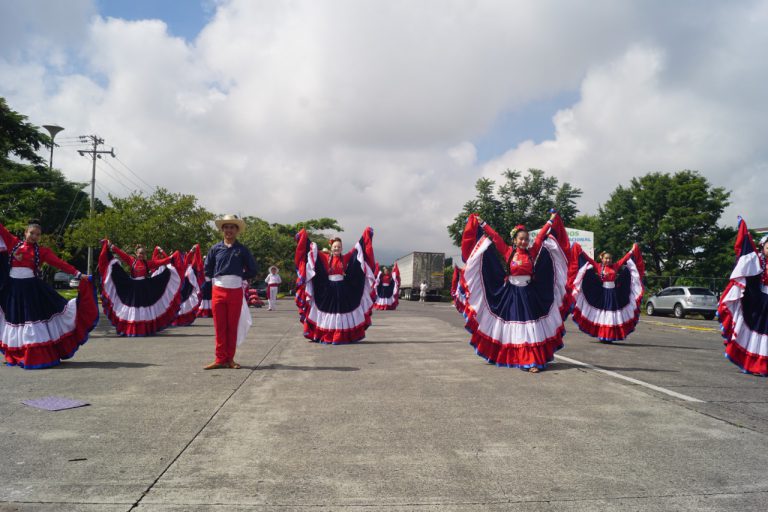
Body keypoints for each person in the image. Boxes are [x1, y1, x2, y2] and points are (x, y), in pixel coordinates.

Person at [460, 211, 571, 372]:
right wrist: (482, 223)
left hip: (529, 294)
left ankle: (531, 361)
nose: (524, 241)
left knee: (530, 327)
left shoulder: (532, 253)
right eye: (521, 239)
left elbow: (540, 236)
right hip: (511, 294)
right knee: (509, 327)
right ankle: (503, 355)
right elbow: (495, 237)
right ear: (515, 240)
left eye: (526, 239)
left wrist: (550, 221)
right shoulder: (508, 252)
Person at [0, 220, 98, 369]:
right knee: (15, 320)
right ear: (25, 232)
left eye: (37, 235)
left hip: (31, 290)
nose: (34, 236)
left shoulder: (43, 252)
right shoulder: (13, 243)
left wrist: (78, 274)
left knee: (30, 320)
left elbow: (60, 264)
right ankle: (16, 354)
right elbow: (2, 229)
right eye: (31, 233)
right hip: (13, 290)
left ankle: (33, 355)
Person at [294, 228, 376, 344]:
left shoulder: (346, 257)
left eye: (339, 247)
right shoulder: (325, 257)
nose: (337, 248)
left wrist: (366, 234)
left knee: (343, 311)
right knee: (327, 310)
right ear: (331, 248)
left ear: (342, 248)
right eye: (335, 247)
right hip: (328, 289)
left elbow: (357, 250)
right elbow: (313, 252)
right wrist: (304, 238)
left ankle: (342, 336)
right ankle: (327, 335)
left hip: (343, 288)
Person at [204, 215, 257, 369]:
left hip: (235, 290)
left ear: (237, 230)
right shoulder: (215, 248)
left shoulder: (242, 250)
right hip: (218, 289)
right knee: (219, 326)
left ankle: (230, 359)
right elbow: (207, 268)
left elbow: (253, 269)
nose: (229, 230)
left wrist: (241, 277)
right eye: (226, 227)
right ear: (222, 230)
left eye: (232, 227)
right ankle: (220, 359)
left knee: (232, 326)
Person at [98, 240, 183, 336]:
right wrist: (111, 246)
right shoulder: (131, 260)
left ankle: (145, 329)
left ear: (144, 254)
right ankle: (131, 329)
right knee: (133, 308)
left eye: (142, 253)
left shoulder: (148, 264)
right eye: (139, 253)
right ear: (136, 253)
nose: (141, 255)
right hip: (133, 288)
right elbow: (122, 254)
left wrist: (171, 258)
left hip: (144, 288)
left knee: (145, 309)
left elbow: (160, 262)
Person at [718, 217, 768, 376]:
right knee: (757, 333)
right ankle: (755, 363)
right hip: (759, 303)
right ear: (763, 247)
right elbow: (745, 269)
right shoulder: (757, 262)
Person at [568, 244, 645, 342]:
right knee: (603, 314)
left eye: (610, 259)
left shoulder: (615, 266)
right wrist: (580, 250)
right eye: (606, 258)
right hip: (603, 294)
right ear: (602, 259)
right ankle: (602, 335)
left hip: (613, 294)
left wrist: (632, 251)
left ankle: (610, 335)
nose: (608, 260)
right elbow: (587, 259)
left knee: (612, 315)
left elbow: (625, 258)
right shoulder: (598, 266)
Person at [172, 244, 205, 326]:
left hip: (186, 286)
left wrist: (192, 251)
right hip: (179, 286)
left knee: (185, 301)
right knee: (181, 302)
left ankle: (183, 319)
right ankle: (178, 319)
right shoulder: (174, 267)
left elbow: (189, 262)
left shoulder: (188, 267)